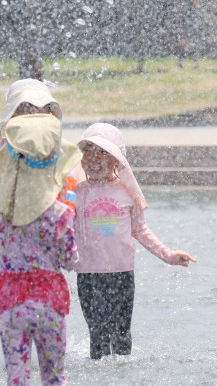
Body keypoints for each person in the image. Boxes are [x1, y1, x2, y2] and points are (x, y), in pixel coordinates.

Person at [75, 123, 196, 359]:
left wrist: (168, 255)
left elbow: (140, 230)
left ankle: (123, 375)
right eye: (88, 151)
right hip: (88, 276)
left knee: (121, 334)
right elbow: (64, 231)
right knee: (98, 336)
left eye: (103, 152)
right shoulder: (77, 193)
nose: (94, 158)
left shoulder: (127, 192)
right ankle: (99, 377)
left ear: (117, 160)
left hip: (122, 275)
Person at [0, 112, 80, 386]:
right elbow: (70, 261)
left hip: (12, 302)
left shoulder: (3, 212)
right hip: (48, 303)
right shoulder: (60, 215)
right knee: (55, 380)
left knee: (15, 385)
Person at [0, 79, 75, 225]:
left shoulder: (59, 152)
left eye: (39, 107)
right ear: (12, 114)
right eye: (25, 106)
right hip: (2, 227)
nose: (32, 112)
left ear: (49, 112)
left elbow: (69, 193)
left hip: (45, 228)